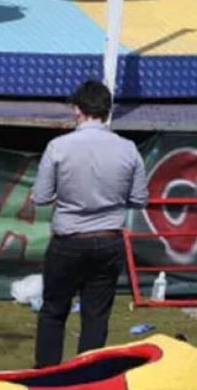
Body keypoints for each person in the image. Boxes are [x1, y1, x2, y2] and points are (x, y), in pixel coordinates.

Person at [30, 79, 148, 368]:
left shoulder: (58, 147)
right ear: (107, 111)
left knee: (54, 311)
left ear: (77, 109)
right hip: (109, 239)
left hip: (69, 240)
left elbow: (41, 197)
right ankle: (87, 375)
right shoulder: (128, 149)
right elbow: (139, 199)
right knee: (96, 316)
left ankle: (46, 375)